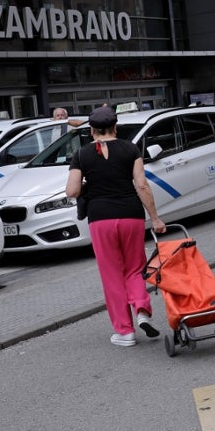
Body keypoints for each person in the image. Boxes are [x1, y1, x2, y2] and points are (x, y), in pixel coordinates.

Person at [66, 106, 166, 347]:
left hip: (101, 219)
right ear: (115, 128)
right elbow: (141, 185)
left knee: (112, 274)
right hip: (130, 214)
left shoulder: (81, 154)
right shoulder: (131, 148)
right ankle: (142, 309)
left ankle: (125, 331)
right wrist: (155, 218)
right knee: (134, 268)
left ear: (91, 131)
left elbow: (72, 191)